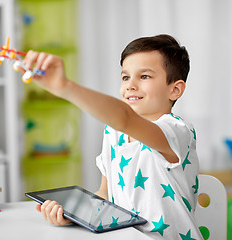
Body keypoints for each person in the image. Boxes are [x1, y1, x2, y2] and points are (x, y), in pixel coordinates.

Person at [23, 34, 202, 240]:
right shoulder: (113, 131)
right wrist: (74, 214)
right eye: (126, 77)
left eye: (144, 76)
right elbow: (105, 194)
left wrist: (64, 87)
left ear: (175, 89)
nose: (130, 85)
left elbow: (124, 118)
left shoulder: (178, 131)